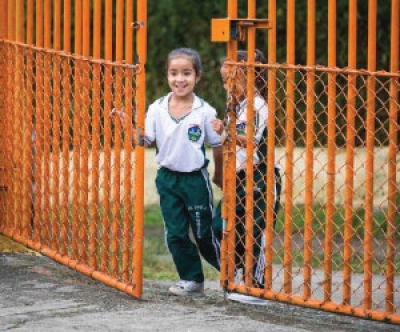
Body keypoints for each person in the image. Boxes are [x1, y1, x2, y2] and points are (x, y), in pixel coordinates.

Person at [111, 47, 223, 297]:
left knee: (204, 233)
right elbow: (143, 140)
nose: (179, 79)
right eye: (174, 73)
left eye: (186, 73)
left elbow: (217, 145)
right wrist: (125, 123)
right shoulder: (157, 108)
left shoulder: (205, 111)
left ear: (198, 77)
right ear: (167, 76)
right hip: (168, 179)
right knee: (175, 233)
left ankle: (232, 275)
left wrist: (219, 175)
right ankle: (191, 279)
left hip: (195, 180)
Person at [211, 49, 282, 290]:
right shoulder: (234, 106)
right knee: (222, 226)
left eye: (233, 79)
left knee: (255, 231)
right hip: (237, 178)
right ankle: (236, 269)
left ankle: (256, 283)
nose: (227, 85)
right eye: (224, 80)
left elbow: (248, 138)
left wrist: (225, 131)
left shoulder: (258, 105)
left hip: (260, 176)